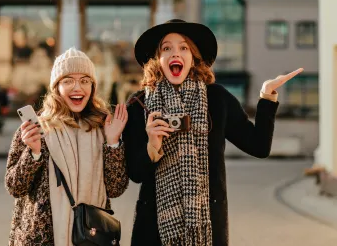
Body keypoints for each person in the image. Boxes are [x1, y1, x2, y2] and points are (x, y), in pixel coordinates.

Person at [122, 19, 304, 246]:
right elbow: (135, 174)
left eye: (183, 48)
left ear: (193, 57)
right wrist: (152, 145)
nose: (175, 53)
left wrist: (267, 97)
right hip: (153, 231)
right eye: (166, 48)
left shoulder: (217, 99)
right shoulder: (140, 105)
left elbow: (259, 147)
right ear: (157, 60)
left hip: (208, 229)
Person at [5, 47, 129, 245]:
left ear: (92, 87)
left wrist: (113, 142)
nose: (77, 88)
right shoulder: (36, 128)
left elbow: (116, 188)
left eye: (84, 80)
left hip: (91, 237)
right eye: (68, 80)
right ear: (56, 87)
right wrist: (33, 153)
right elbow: (14, 187)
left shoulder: (103, 128)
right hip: (44, 239)